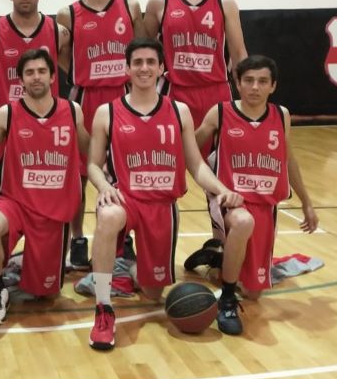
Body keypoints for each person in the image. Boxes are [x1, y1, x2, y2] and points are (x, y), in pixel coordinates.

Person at [86, 37, 245, 351]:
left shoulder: (179, 110)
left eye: (150, 62)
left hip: (163, 206)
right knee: (108, 216)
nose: (144, 68)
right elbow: (92, 164)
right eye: (137, 62)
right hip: (126, 199)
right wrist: (104, 187)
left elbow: (195, 164)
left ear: (162, 68)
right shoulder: (107, 112)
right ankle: (103, 309)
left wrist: (222, 189)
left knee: (153, 293)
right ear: (126, 69)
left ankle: (127, 265)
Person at [194, 55, 319, 334]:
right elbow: (189, 149)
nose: (254, 87)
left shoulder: (281, 115)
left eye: (262, 81)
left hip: (265, 204)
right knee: (242, 222)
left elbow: (288, 159)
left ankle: (216, 257)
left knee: (253, 292)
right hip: (229, 202)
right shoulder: (220, 112)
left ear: (273, 86)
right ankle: (227, 299)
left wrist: (307, 203)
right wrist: (214, 187)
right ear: (238, 83)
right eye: (248, 80)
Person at [144, 0, 250, 266]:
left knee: (219, 171)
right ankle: (153, 244)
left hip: (216, 93)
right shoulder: (160, 1)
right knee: (161, 169)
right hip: (175, 95)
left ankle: (222, 243)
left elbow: (239, 55)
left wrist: (244, 105)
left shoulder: (224, 2)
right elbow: (145, 53)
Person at [0, 50, 88, 324]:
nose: (36, 77)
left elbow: (90, 149)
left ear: (52, 77)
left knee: (45, 295)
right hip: (14, 202)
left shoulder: (72, 111)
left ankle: (23, 263)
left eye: (41, 71)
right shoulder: (8, 113)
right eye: (29, 72)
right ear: (21, 80)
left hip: (53, 211)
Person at [56, 0, 147, 269]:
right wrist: (82, 73)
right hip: (86, 98)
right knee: (79, 174)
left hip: (123, 96)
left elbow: (141, 47)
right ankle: (78, 237)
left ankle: (124, 235)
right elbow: (62, 56)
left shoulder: (129, 6)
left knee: (125, 171)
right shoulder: (67, 14)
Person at [0, 0, 71, 207]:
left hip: (46, 120)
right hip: (3, 118)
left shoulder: (59, 33)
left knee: (45, 183)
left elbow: (74, 73)